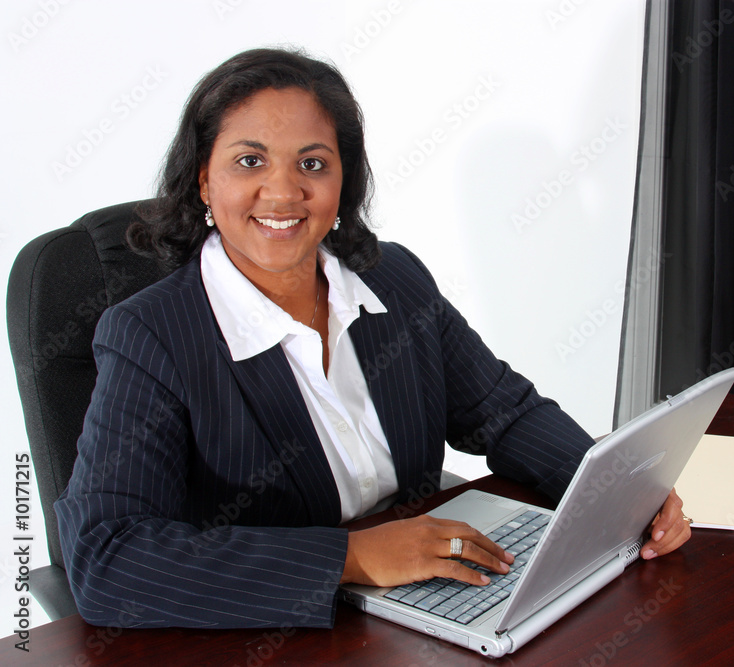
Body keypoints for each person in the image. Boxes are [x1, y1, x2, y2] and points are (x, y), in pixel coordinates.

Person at [55, 47, 691, 629]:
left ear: (342, 182)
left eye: (313, 163)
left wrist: (617, 495)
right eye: (249, 160)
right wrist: (349, 558)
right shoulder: (152, 335)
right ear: (203, 180)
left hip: (429, 604)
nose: (283, 191)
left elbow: (505, 413)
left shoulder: (394, 280)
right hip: (279, 627)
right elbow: (108, 560)